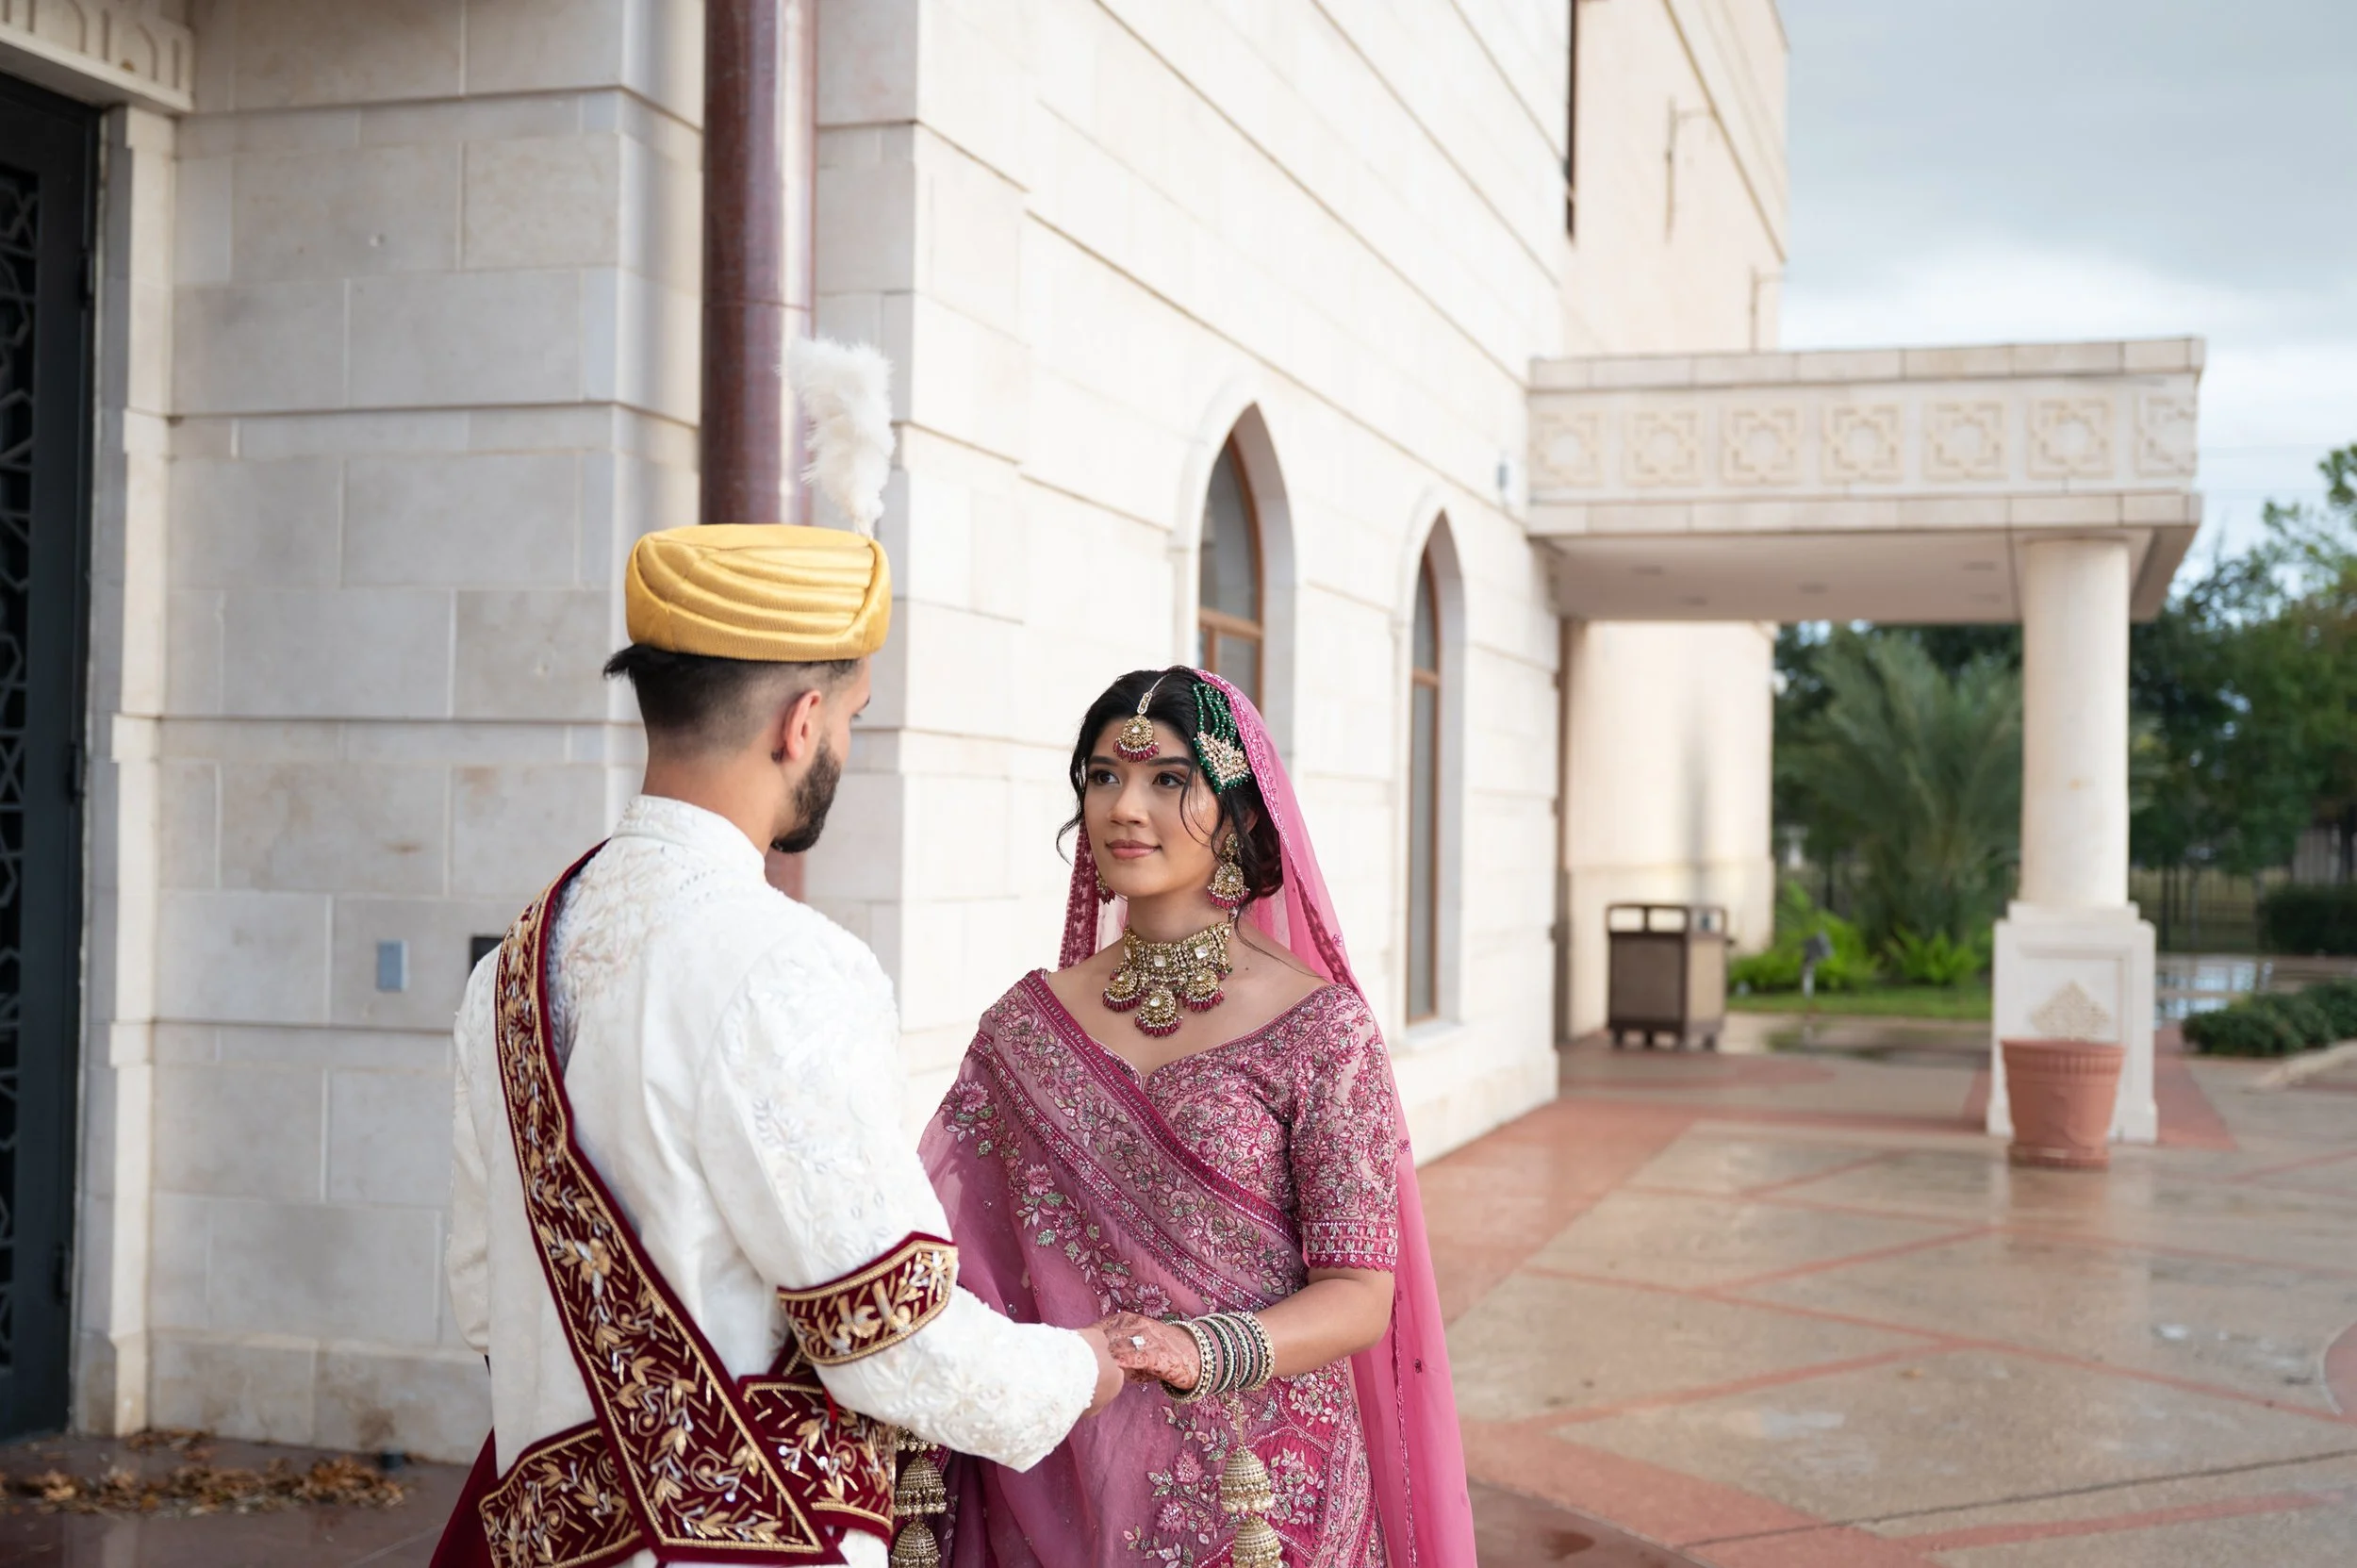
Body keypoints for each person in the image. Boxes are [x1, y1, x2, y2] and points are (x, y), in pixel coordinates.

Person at [435, 515, 1127, 1568]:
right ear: (801, 722)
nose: (841, 743)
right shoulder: (787, 965)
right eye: (851, 714)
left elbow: (483, 1294)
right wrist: (1078, 1367)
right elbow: (886, 1336)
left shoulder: (504, 977)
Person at [918, 667, 1477, 1567]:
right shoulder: (1025, 1027)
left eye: (1168, 780)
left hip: (1261, 1490)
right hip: (1064, 1469)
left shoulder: (1322, 1030)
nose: (1124, 807)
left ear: (1239, 813)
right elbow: (944, 1250)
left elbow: (1360, 1295)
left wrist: (1194, 1348)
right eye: (1103, 775)